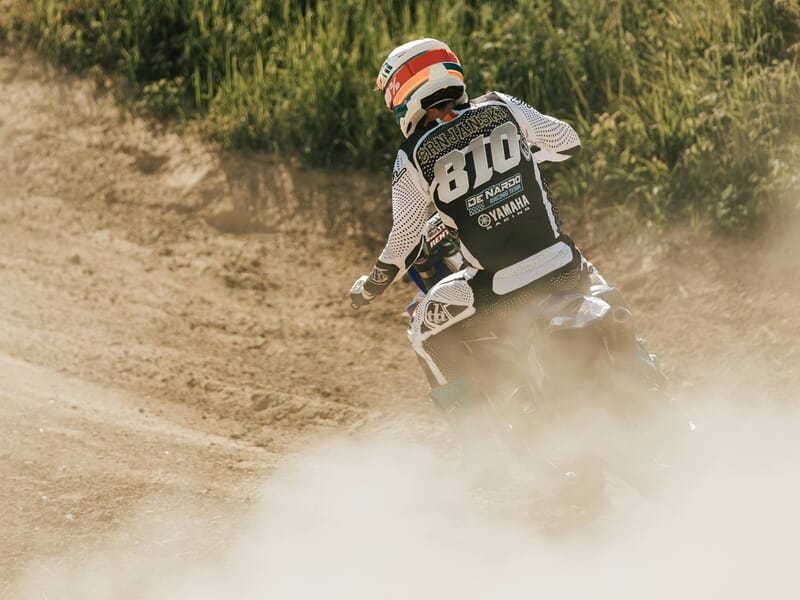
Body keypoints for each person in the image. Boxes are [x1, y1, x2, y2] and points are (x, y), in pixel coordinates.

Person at [348, 38, 611, 471]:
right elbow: (567, 142)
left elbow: (403, 242)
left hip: (500, 289)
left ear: (407, 94)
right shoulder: (502, 106)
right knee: (608, 298)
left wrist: (370, 286)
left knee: (422, 329)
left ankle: (480, 453)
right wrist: (521, 156)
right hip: (565, 267)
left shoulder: (413, 156)